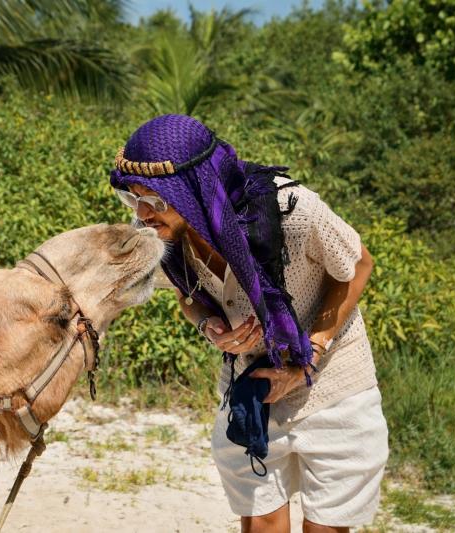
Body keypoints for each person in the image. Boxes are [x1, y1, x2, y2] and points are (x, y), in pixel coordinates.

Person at [109, 114, 388, 532]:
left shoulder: (293, 212)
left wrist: (310, 352)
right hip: (251, 390)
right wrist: (208, 325)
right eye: (133, 200)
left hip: (333, 389)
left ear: (193, 190)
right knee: (261, 527)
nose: (143, 214)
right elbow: (188, 299)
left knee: (325, 528)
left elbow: (358, 265)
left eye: (155, 201)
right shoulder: (161, 234)